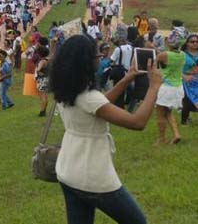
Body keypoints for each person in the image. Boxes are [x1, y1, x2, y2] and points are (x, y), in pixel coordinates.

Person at [51, 35, 162, 224]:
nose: (100, 58)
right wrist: (153, 87)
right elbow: (137, 122)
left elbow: (99, 105)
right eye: (97, 55)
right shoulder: (88, 96)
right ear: (86, 62)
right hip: (93, 175)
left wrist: (126, 79)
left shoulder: (66, 90)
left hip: (68, 170)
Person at [154, 34, 185, 144]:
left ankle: (161, 138)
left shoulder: (164, 55)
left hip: (166, 87)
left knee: (160, 113)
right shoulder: (182, 55)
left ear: (169, 43)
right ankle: (176, 134)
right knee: (168, 112)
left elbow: (153, 64)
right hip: (178, 87)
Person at [182, 34, 198, 125]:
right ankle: (184, 121)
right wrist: (184, 76)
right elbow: (176, 69)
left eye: (197, 42)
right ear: (187, 43)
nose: (195, 43)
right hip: (186, 81)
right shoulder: (182, 54)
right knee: (187, 101)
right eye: (192, 42)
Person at [35, 46, 51, 117]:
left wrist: (39, 73)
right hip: (47, 78)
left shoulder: (42, 61)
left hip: (42, 79)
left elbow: (38, 70)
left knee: (43, 96)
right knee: (45, 96)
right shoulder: (48, 60)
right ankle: (43, 110)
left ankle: (42, 111)